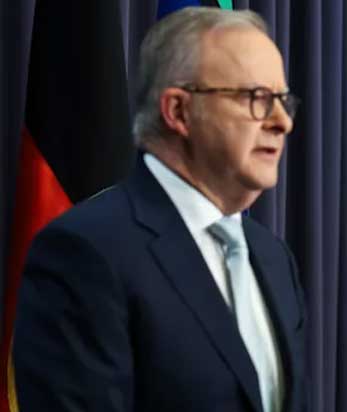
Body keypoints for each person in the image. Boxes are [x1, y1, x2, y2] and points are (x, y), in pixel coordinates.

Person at [13, 7, 307, 412]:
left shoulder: (274, 259)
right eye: (256, 98)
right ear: (178, 111)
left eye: (283, 101)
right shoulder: (87, 251)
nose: (281, 122)